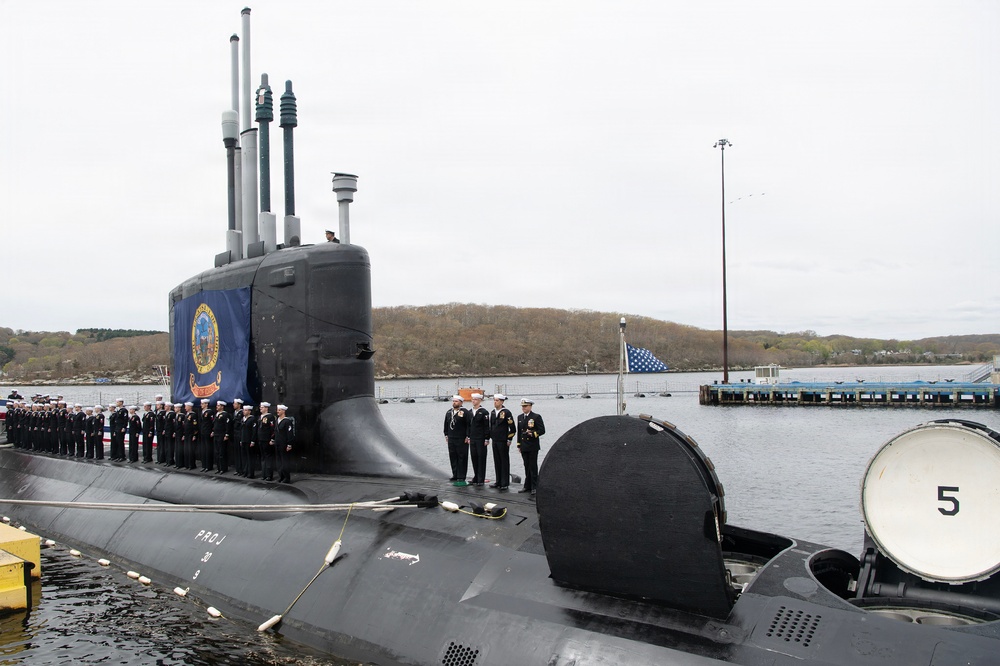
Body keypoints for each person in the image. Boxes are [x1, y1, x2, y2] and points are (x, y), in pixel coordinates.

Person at [516, 398, 545, 497]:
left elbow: (542, 430)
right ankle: (527, 485)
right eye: (523, 406)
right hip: (524, 446)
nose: (523, 408)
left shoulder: (536, 417)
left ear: (530, 406)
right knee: (526, 466)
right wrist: (519, 444)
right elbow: (519, 432)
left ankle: (534, 486)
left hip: (532, 445)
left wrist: (532, 433)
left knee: (533, 467)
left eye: (525, 406)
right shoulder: (520, 417)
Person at [489, 393, 516, 491]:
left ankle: (504, 482)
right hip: (495, 440)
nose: (495, 402)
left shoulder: (506, 412)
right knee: (497, 461)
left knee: (504, 461)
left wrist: (509, 439)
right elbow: (491, 426)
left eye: (497, 400)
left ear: (501, 401)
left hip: (503, 441)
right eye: (494, 400)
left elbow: (512, 428)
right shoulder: (492, 412)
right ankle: (498, 481)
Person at [443, 395, 470, 486]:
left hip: (461, 438)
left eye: (456, 401)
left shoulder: (465, 412)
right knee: (453, 456)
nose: (454, 403)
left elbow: (468, 425)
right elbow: (446, 424)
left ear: (461, 402)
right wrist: (446, 434)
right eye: (453, 401)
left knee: (462, 457)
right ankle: (455, 474)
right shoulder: (449, 412)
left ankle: (461, 476)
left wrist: (468, 436)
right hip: (451, 437)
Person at [467, 393, 490, 486]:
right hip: (472, 438)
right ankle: (476, 477)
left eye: (475, 399)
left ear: (480, 400)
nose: (473, 401)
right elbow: (468, 425)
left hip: (481, 439)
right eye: (472, 399)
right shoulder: (470, 412)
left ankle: (481, 479)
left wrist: (487, 438)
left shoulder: (484, 412)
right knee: (474, 458)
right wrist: (468, 436)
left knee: (481, 458)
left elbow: (486, 426)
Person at [274, 404, 295, 483]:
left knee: (284, 461)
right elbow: (275, 432)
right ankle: (281, 476)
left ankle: (286, 477)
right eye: (277, 410)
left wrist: (289, 444)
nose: (277, 412)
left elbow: (289, 433)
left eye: (279, 410)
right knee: (279, 461)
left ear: (283, 411)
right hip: (277, 443)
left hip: (284, 444)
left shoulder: (287, 421)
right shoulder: (277, 420)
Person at [257, 402, 276, 481]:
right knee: (263, 457)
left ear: (266, 408)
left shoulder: (270, 417)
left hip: (267, 440)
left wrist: (272, 439)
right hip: (261, 439)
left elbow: (272, 429)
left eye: (262, 407)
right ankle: (264, 474)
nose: (260, 408)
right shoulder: (260, 417)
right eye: (260, 407)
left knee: (268, 457)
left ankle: (269, 475)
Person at [212, 400, 231, 474]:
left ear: (222, 406)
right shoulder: (217, 414)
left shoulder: (225, 415)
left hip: (221, 435)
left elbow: (227, 425)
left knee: (222, 452)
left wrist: (227, 434)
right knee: (217, 452)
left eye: (218, 405)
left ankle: (223, 468)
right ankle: (219, 467)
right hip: (216, 435)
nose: (217, 407)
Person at [241, 404, 257, 479]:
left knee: (250, 458)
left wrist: (253, 441)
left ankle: (251, 473)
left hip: (249, 440)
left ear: (250, 411)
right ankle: (245, 471)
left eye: (246, 410)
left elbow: (254, 431)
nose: (244, 411)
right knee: (245, 457)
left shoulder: (252, 419)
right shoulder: (243, 419)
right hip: (244, 440)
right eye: (244, 410)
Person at [199, 398, 214, 471]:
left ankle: (209, 466)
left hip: (208, 432)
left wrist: (212, 431)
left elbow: (212, 422)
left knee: (208, 449)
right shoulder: (202, 412)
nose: (201, 405)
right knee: (204, 449)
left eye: (202, 404)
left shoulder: (209, 412)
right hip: (203, 432)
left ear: (206, 404)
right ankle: (204, 465)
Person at [232, 398, 245, 476]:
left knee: (241, 453)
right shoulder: (234, 413)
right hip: (235, 434)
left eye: (235, 404)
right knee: (236, 452)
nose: (233, 405)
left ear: (239, 405)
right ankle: (237, 468)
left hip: (240, 434)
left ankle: (241, 469)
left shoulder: (241, 413)